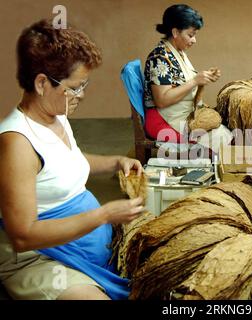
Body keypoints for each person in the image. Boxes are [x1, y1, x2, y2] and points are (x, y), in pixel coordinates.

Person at [0, 19, 145, 300]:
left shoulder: (56, 115)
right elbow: (23, 235)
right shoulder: (16, 143)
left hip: (81, 242)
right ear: (42, 83)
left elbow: (66, 163)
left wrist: (116, 161)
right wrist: (103, 215)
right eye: (75, 87)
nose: (82, 95)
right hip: (39, 257)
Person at [144, 4, 233, 154]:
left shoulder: (177, 53)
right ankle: (206, 171)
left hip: (178, 115)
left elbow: (181, 83)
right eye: (190, 35)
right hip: (163, 120)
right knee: (219, 138)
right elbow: (161, 100)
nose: (194, 40)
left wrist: (204, 77)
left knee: (223, 128)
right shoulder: (159, 58)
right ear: (175, 32)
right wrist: (195, 81)